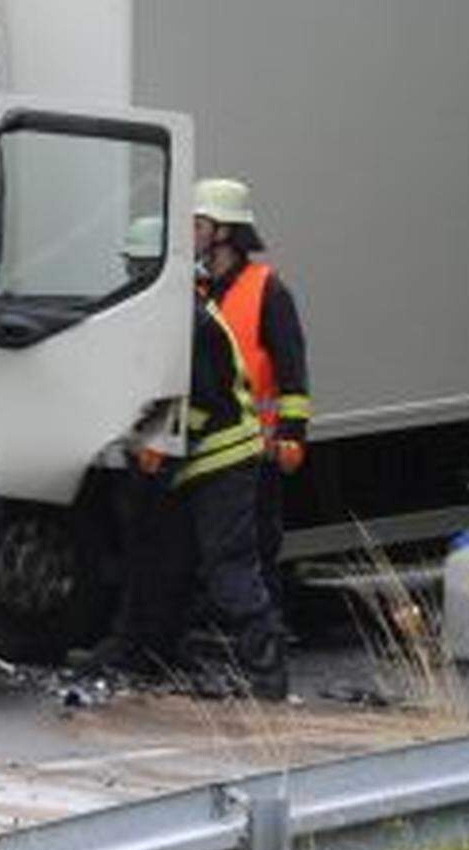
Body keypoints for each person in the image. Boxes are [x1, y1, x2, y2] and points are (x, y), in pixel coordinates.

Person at [76, 285, 287, 699]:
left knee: (228, 565)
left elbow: (202, 401)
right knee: (161, 558)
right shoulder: (179, 313)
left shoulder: (189, 321)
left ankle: (266, 671)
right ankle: (146, 651)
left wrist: (162, 446)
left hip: (222, 457)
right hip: (203, 458)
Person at [193, 178, 313, 612]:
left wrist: (292, 435)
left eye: (199, 223)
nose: (190, 233)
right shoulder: (200, 291)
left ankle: (267, 642)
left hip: (260, 453)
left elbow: (292, 373)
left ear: (224, 231)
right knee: (220, 558)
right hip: (214, 451)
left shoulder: (267, 290)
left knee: (257, 555)